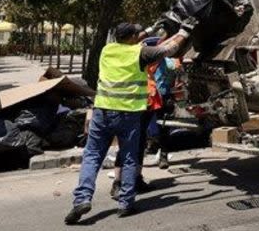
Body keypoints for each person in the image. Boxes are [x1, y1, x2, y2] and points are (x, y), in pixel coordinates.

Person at [64, 20, 194, 225]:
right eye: (139, 33)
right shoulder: (140, 53)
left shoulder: (107, 50)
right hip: (128, 115)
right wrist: (185, 31)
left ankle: (82, 199)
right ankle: (125, 203)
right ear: (133, 38)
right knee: (130, 157)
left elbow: (138, 38)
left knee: (92, 156)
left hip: (102, 112)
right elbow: (170, 49)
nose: (141, 34)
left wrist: (155, 28)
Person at [110, 40, 182, 199]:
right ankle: (118, 183)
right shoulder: (138, 55)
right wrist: (183, 33)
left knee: (140, 141)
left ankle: (135, 179)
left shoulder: (128, 54)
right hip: (135, 105)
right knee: (129, 143)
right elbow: (164, 50)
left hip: (146, 102)